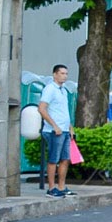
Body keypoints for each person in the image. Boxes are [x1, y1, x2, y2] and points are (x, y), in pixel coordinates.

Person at [38, 64, 75, 197]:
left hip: (64, 130)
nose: (64, 76)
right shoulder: (50, 89)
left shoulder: (63, 90)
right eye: (62, 73)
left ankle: (61, 186)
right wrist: (54, 126)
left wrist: (70, 127)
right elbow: (41, 108)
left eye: (66, 73)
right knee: (53, 159)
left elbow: (64, 111)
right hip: (54, 131)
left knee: (65, 159)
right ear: (55, 74)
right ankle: (51, 187)